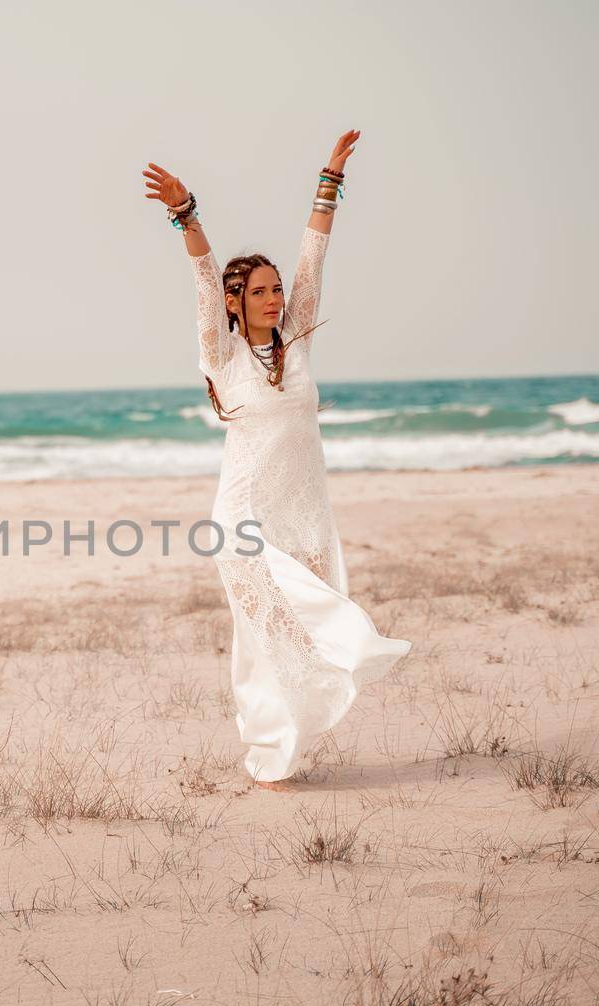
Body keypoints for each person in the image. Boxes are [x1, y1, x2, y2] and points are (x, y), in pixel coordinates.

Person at [142, 134, 411, 788]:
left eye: (274, 289)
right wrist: (189, 217)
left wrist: (329, 182)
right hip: (244, 523)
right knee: (276, 638)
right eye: (259, 291)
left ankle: (275, 757)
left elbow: (312, 258)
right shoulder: (223, 359)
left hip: (302, 516)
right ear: (237, 304)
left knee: (283, 641)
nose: (273, 297)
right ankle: (275, 749)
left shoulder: (297, 342)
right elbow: (204, 281)